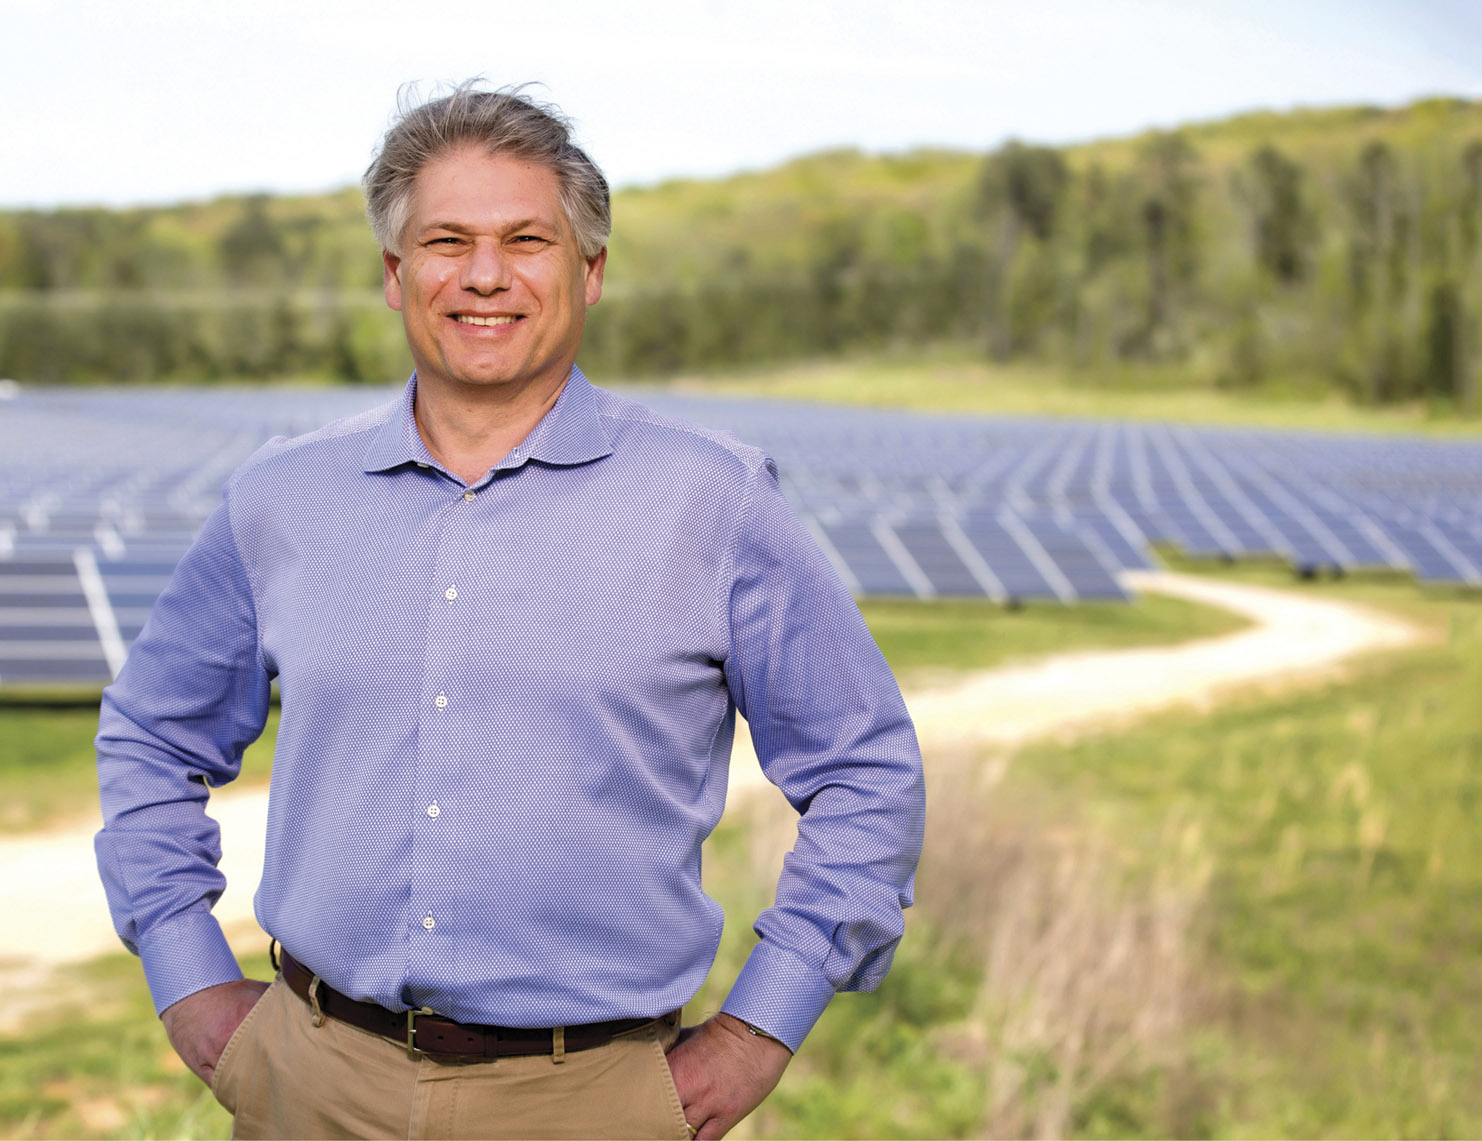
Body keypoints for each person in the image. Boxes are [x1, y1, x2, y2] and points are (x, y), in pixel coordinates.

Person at [95, 83, 924, 1140]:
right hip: (309, 1083)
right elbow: (152, 734)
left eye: (527, 240)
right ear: (396, 275)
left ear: (591, 271)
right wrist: (187, 977)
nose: (485, 275)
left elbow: (866, 772)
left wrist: (763, 1025)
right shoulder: (282, 497)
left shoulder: (714, 503)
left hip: (593, 1101)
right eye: (446, 241)